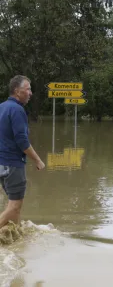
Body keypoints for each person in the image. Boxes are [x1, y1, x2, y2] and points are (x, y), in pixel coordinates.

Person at [0, 75, 45, 228]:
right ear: (17, 91)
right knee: (14, 206)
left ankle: (13, 239)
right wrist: (38, 160)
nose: (30, 93)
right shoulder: (17, 110)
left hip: (2, 164)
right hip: (13, 164)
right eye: (28, 89)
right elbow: (22, 142)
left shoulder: (2, 107)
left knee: (15, 207)